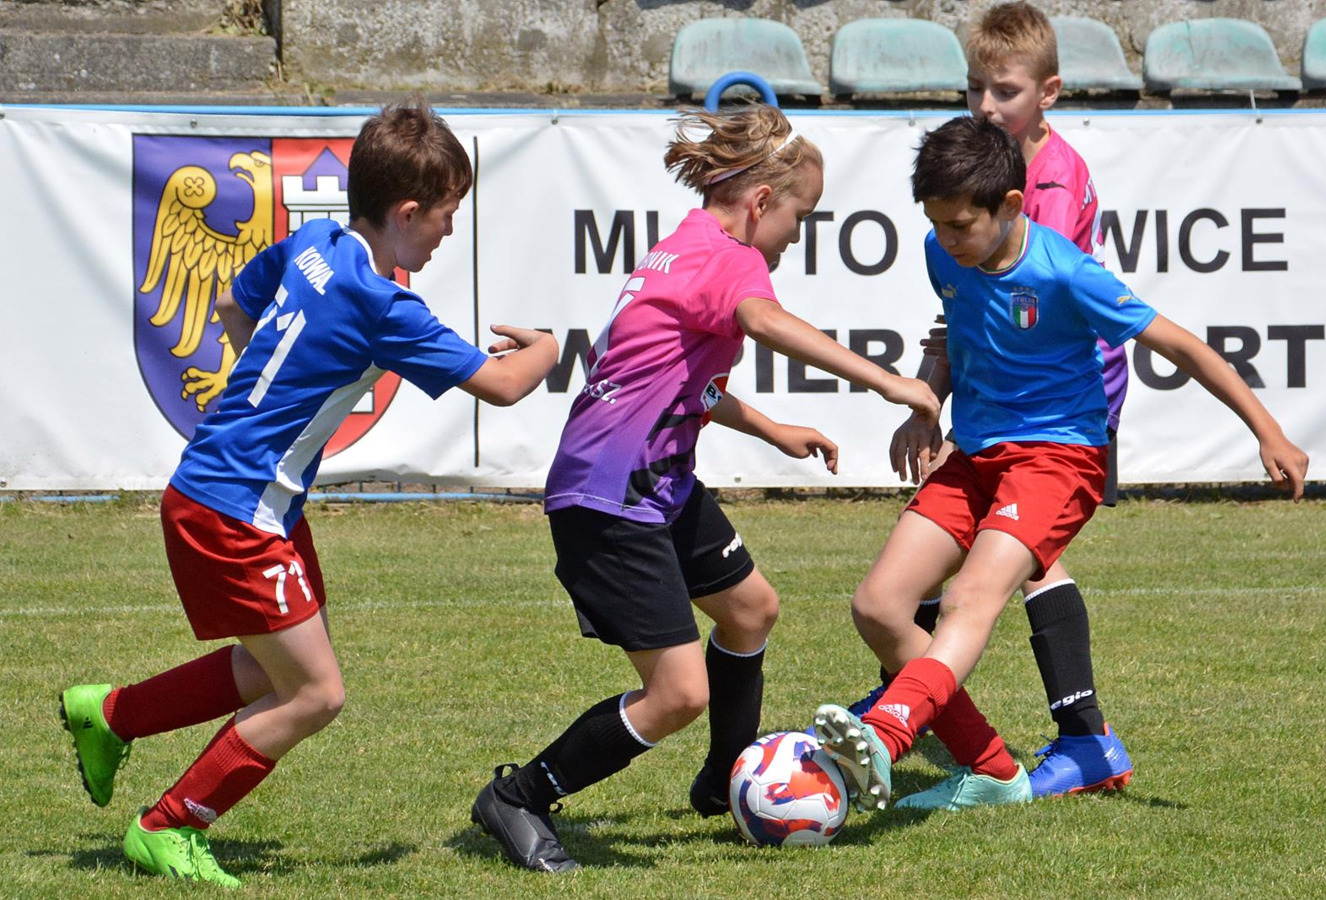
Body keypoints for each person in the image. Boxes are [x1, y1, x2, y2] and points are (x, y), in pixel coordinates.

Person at [58, 100, 559, 887]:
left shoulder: (316, 241)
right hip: (236, 510)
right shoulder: (384, 305)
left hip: (239, 494)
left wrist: (261, 409)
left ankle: (113, 714)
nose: (449, 231)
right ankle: (168, 825)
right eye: (447, 214)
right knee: (317, 694)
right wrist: (551, 348)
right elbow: (502, 384)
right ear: (407, 212)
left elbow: (234, 305)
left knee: (272, 674)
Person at [471, 104, 939, 873]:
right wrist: (890, 382)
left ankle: (726, 778)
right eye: (800, 218)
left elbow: (679, 379)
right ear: (762, 202)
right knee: (677, 693)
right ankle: (519, 796)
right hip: (611, 496)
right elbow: (766, 321)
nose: (797, 236)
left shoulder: (684, 246)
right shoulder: (732, 259)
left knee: (751, 608)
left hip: (656, 482)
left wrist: (773, 429)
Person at [812, 115, 1307, 814]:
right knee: (879, 607)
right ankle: (992, 769)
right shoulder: (941, 253)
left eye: (959, 225)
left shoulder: (1067, 273)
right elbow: (955, 329)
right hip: (974, 455)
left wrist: (1268, 430)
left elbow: (1183, 347)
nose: (946, 240)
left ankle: (890, 730)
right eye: (936, 224)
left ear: (1010, 205)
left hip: (1057, 458)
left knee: (967, 599)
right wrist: (925, 405)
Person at [842, 1, 1136, 799]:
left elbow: (1027, 305)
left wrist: (951, 408)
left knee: (1003, 565)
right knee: (996, 557)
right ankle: (1054, 732)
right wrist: (930, 398)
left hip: (1057, 403)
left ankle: (923, 705)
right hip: (1000, 400)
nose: (985, 105)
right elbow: (967, 311)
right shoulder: (980, 176)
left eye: (1005, 91)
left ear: (1048, 93)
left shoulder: (1049, 186)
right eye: (975, 88)